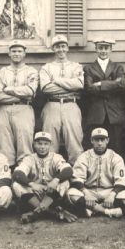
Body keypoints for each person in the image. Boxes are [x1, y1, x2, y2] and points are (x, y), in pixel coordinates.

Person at [67, 128, 125, 218]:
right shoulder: (84, 156)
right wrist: (86, 194)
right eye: (96, 139)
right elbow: (76, 179)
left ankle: (92, 209)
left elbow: (121, 182)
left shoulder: (116, 157)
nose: (100, 143)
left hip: (109, 191)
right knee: (70, 193)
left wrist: (112, 195)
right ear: (92, 140)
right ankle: (107, 211)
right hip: (89, 191)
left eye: (102, 139)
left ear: (107, 140)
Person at [12, 131, 77, 224]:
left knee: (65, 182)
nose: (42, 147)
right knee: (16, 185)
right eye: (39, 143)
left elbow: (68, 170)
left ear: (50, 144)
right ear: (34, 144)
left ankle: (36, 212)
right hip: (35, 193)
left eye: (46, 144)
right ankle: (54, 212)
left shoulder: (56, 157)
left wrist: (55, 180)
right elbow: (17, 174)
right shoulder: (29, 158)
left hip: (51, 193)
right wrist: (32, 184)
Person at [0, 42, 38, 168]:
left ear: (24, 53)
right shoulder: (1, 72)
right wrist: (20, 93)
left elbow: (30, 91)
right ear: (9, 53)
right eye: (14, 51)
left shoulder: (31, 71)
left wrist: (8, 89)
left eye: (19, 51)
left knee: (25, 144)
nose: (16, 54)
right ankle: (6, 176)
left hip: (24, 108)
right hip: (3, 110)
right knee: (4, 145)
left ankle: (24, 175)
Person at [39, 34, 84, 164]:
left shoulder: (76, 66)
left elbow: (79, 85)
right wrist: (69, 86)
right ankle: (49, 171)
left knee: (74, 141)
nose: (61, 50)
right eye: (57, 47)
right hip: (52, 104)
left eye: (63, 46)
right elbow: (46, 88)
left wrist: (57, 81)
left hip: (71, 105)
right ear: (53, 49)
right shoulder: (47, 67)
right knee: (50, 141)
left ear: (67, 48)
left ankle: (77, 174)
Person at [82, 38, 125, 154]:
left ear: (111, 49)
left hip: (114, 113)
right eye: (100, 48)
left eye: (106, 48)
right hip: (96, 113)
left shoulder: (117, 67)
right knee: (95, 147)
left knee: (115, 147)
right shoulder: (89, 68)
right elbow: (89, 88)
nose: (103, 51)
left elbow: (122, 85)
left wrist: (101, 84)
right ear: (96, 49)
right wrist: (113, 84)